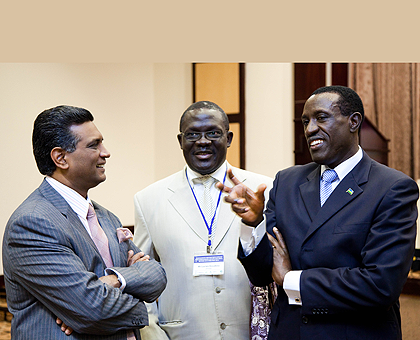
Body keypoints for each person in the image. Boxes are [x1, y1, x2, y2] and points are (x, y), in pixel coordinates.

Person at [218, 86, 419, 340]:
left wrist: (292, 280)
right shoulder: (287, 182)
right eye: (305, 121)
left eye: (321, 118)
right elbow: (261, 275)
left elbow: (380, 285)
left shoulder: (392, 188)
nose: (310, 128)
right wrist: (253, 224)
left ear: (354, 122)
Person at [2, 105, 167, 339]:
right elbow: (92, 309)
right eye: (94, 145)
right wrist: (137, 301)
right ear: (60, 158)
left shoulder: (108, 217)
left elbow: (156, 276)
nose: (106, 152)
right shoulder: (32, 222)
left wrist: (114, 280)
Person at [133, 101, 274, 340]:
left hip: (248, 331)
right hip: (179, 334)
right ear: (180, 141)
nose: (203, 141)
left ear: (228, 138)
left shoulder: (264, 189)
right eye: (193, 134)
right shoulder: (148, 199)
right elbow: (141, 277)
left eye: (213, 133)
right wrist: (152, 334)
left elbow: (277, 263)